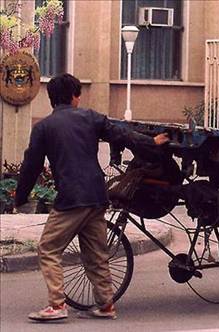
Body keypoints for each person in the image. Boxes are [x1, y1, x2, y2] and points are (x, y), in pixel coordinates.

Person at [14, 73, 169, 321]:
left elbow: (31, 166)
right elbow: (123, 135)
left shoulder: (43, 128)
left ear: (51, 98)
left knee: (48, 248)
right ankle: (105, 305)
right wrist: (151, 141)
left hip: (72, 199)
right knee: (96, 254)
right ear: (75, 97)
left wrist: (20, 198)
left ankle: (56, 305)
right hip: (97, 196)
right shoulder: (91, 118)